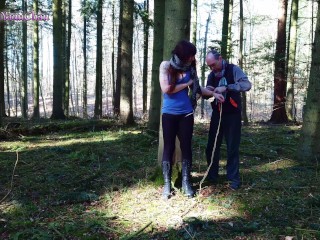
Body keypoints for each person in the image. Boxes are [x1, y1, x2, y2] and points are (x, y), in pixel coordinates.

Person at [159, 40, 218, 199]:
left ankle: (186, 182)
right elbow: (166, 89)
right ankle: (166, 185)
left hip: (186, 113)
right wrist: (187, 84)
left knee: (186, 147)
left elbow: (197, 90)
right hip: (169, 113)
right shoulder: (166, 66)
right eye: (191, 55)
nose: (193, 58)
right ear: (183, 55)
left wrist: (211, 93)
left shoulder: (191, 68)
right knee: (169, 147)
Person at [204, 49, 251, 190]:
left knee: (232, 147)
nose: (212, 68)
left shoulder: (233, 69)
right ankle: (212, 176)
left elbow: (247, 85)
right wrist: (210, 91)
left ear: (220, 59)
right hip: (217, 113)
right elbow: (208, 92)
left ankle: (233, 179)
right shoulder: (211, 75)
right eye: (209, 66)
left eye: (213, 64)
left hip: (233, 114)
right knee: (211, 146)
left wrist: (227, 87)